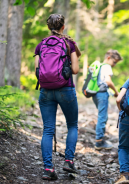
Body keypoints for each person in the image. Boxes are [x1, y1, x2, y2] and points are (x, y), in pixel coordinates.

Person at [34, 14, 81, 180]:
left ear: (49, 27)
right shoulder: (70, 44)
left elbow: (38, 71)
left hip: (45, 91)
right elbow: (75, 70)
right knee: (72, 125)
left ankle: (48, 169)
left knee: (47, 129)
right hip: (65, 89)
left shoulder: (41, 45)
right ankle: (68, 161)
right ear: (63, 26)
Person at [93, 50, 122, 150]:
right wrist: (116, 91)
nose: (114, 65)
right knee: (103, 117)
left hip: (95, 93)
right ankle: (99, 141)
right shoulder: (106, 66)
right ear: (109, 57)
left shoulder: (99, 66)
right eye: (114, 62)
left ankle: (100, 138)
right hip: (102, 94)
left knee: (101, 115)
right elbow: (108, 81)